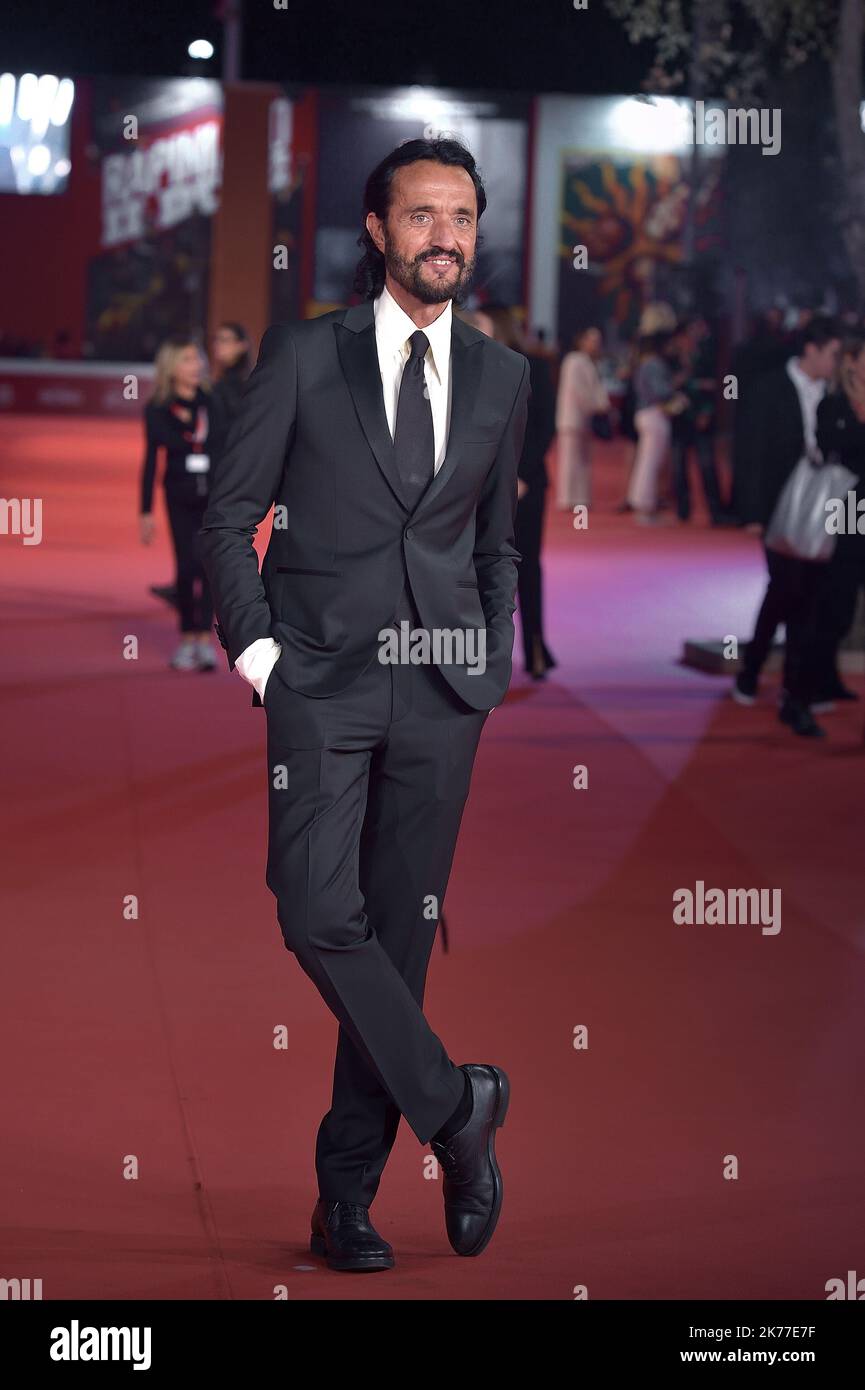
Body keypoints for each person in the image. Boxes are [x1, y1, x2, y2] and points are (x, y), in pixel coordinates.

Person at [199, 138, 529, 1272]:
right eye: (423, 213)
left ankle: (345, 1202)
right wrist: (261, 662)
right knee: (310, 905)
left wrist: (490, 660)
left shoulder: (504, 377)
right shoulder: (301, 355)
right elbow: (226, 512)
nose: (447, 234)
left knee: (395, 947)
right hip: (320, 684)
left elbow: (499, 545)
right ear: (378, 231)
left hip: (445, 695)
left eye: (464, 216)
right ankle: (457, 1110)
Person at [732, 314, 842, 736]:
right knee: (788, 589)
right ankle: (763, 672)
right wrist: (752, 512)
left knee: (804, 595)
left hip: (824, 508)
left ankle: (790, 689)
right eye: (833, 354)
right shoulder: (768, 389)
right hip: (779, 507)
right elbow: (750, 451)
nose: (838, 363)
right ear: (811, 350)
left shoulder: (834, 393)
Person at [483, 304, 557, 679]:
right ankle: (485, 653)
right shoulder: (468, 366)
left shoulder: (535, 369)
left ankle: (536, 647)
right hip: (479, 485)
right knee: (482, 569)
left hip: (525, 484)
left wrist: (522, 475)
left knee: (526, 566)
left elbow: (545, 425)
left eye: (479, 323)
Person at [139, 336, 219, 671]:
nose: (197, 365)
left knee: (212, 567)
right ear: (172, 367)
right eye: (188, 359)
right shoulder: (158, 408)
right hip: (178, 494)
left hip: (215, 494)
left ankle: (205, 639)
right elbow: (150, 462)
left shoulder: (214, 402)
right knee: (186, 567)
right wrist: (144, 511)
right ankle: (187, 636)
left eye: (198, 359)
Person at [812, 334, 865, 705]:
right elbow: (829, 443)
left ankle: (828, 679)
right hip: (846, 508)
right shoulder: (834, 403)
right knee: (837, 599)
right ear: (852, 361)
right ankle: (818, 677)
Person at [626, 303, 687, 524]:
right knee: (650, 464)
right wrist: (676, 387)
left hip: (646, 414)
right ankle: (645, 506)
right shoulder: (653, 363)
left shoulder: (644, 361)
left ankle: (642, 503)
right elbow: (661, 391)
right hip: (653, 415)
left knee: (646, 462)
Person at [669, 316, 728, 525]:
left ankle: (716, 511)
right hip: (679, 418)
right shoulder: (672, 359)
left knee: (707, 464)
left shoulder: (705, 356)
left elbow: (714, 386)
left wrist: (707, 410)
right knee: (678, 466)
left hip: (701, 416)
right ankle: (683, 510)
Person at [554, 326, 609, 510]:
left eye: (598, 342)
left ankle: (581, 497)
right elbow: (580, 390)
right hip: (572, 418)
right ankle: (567, 498)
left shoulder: (589, 362)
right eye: (592, 341)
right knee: (570, 460)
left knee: (584, 460)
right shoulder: (574, 360)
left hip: (584, 418)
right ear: (582, 341)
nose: (595, 345)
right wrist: (599, 406)